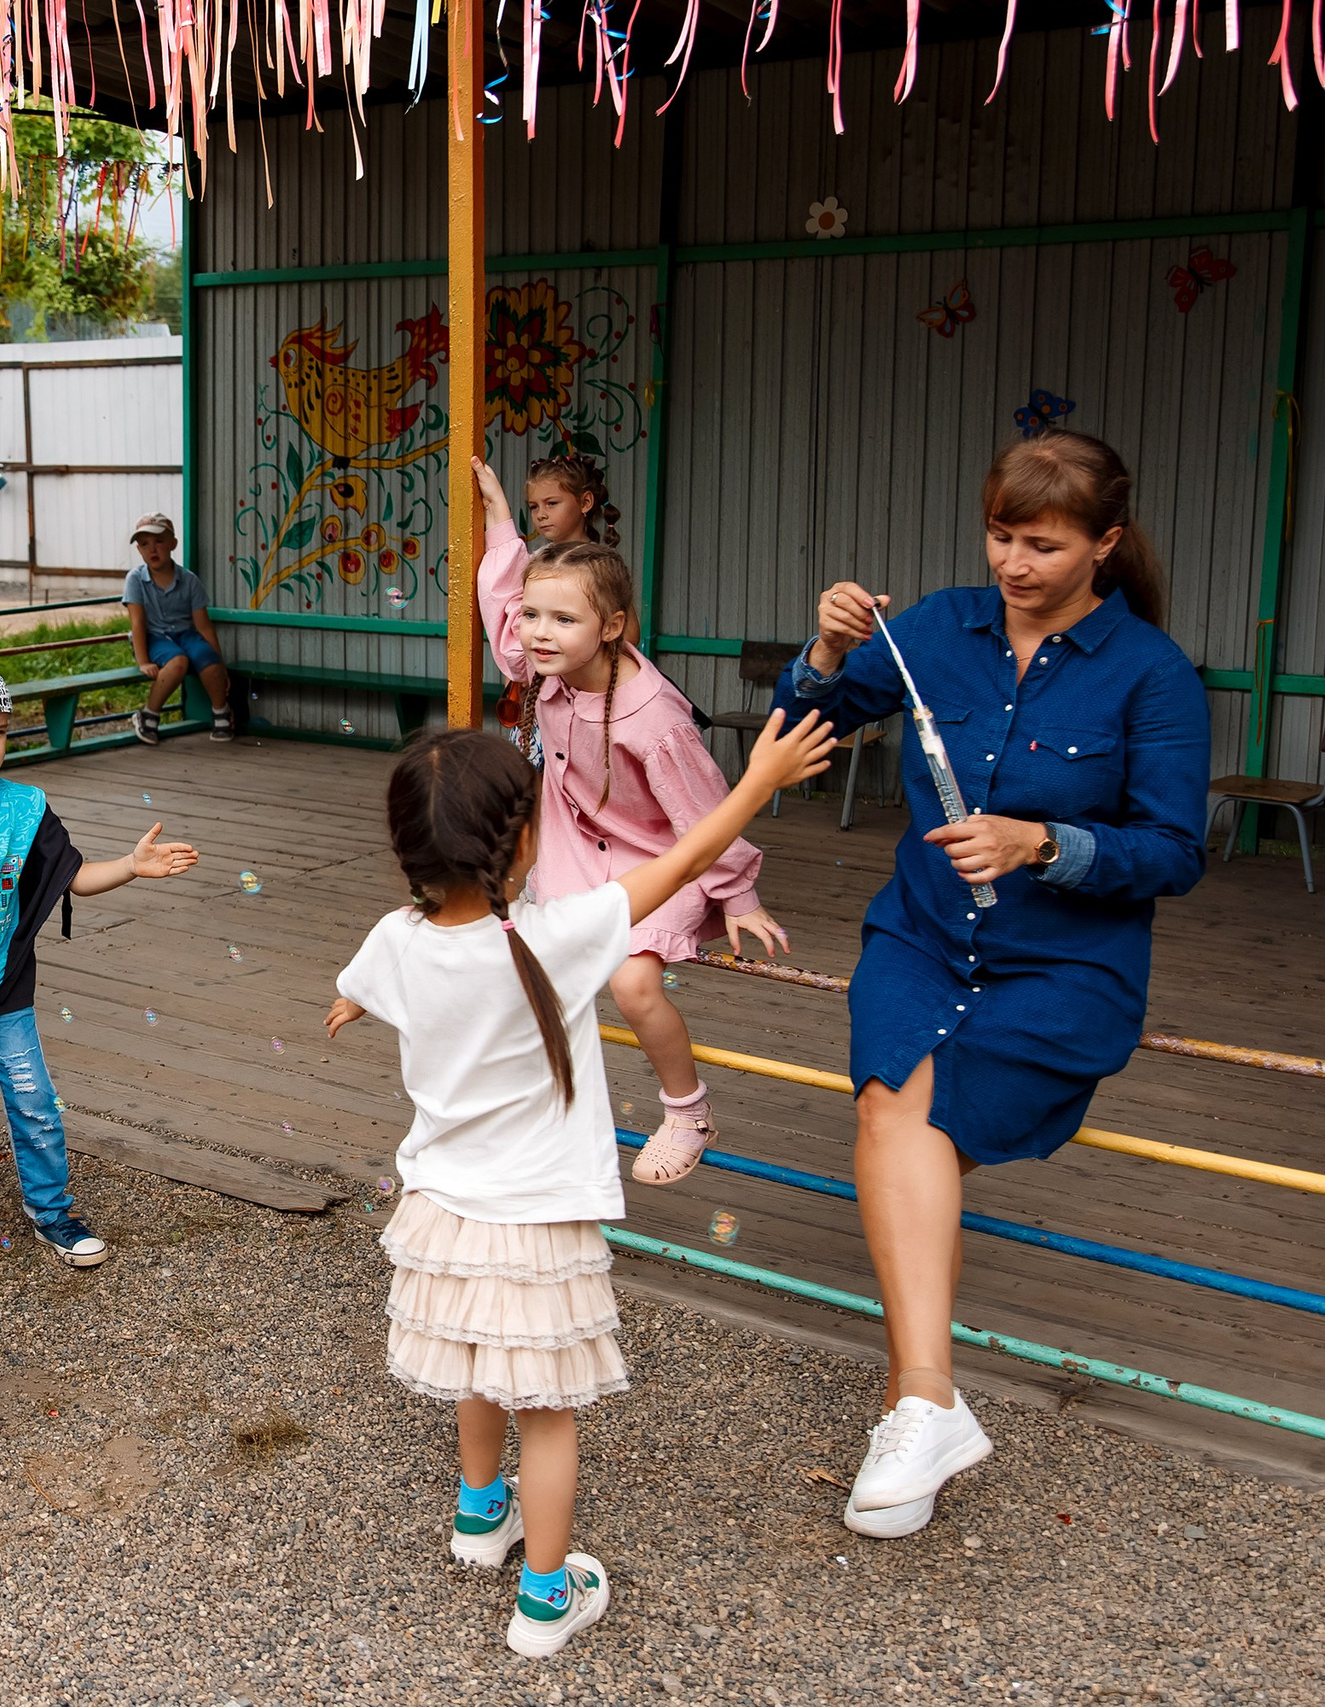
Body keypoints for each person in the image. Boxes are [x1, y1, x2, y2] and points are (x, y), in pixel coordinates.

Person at [769, 430, 1208, 1539]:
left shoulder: (1151, 675)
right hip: (920, 933)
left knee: (911, 1137)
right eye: (1001, 536)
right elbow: (808, 724)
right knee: (893, 1105)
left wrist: (1045, 844)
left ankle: (916, 1402)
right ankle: (923, 1404)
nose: (1013, 563)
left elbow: (1174, 851)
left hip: (1066, 963)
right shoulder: (932, 631)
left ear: (1104, 544)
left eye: (1045, 545)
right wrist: (823, 655)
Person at [328, 713, 835, 1658]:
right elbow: (682, 862)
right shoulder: (558, 936)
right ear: (524, 840)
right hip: (540, 1222)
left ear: (405, 845)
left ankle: (481, 1517)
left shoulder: (395, 938)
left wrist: (357, 998)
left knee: (476, 1361)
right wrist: (759, 781)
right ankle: (545, 1599)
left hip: (440, 1208)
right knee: (547, 1413)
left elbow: (367, 977)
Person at [473, 460, 794, 1185]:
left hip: (660, 853)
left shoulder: (653, 719)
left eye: (562, 619)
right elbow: (502, 615)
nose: (538, 634)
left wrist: (739, 893)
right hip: (577, 849)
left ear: (612, 626)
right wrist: (500, 520)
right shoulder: (543, 664)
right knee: (529, 969)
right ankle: (537, 1102)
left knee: (633, 983)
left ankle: (688, 1109)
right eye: (535, 616)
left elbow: (704, 810)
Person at [0, 657, 199, 1268]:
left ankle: (52, 1212)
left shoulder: (26, 807)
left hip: (2, 988)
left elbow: (72, 876)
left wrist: (129, 866)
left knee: (36, 1102)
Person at [123, 514, 234, 745]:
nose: (152, 549)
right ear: (139, 550)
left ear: (173, 544)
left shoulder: (189, 580)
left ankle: (221, 711)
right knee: (178, 662)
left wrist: (220, 665)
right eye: (144, 544)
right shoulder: (135, 579)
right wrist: (143, 662)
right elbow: (137, 623)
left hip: (186, 635)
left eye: (159, 541)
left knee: (207, 658)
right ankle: (148, 715)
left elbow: (203, 626)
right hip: (153, 638)